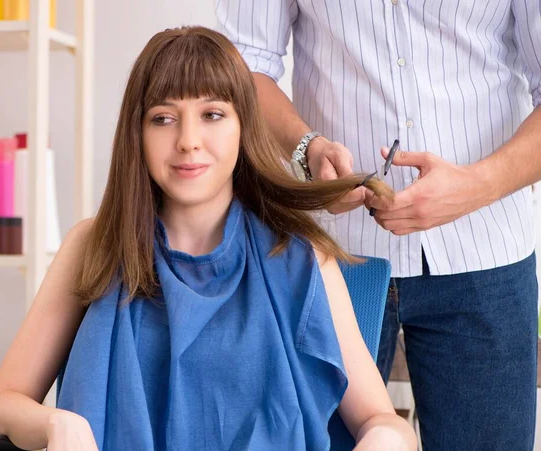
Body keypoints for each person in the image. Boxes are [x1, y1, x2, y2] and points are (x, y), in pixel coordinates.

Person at [0, 26, 416, 450]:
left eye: (212, 115)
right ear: (138, 134)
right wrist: (56, 422)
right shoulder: (94, 246)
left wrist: (382, 438)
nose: (188, 140)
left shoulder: (300, 254)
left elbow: (383, 421)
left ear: (243, 128)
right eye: (163, 118)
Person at [217, 1, 541, 449]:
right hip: (332, 262)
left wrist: (475, 187)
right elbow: (244, 64)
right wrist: (306, 149)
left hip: (486, 255)